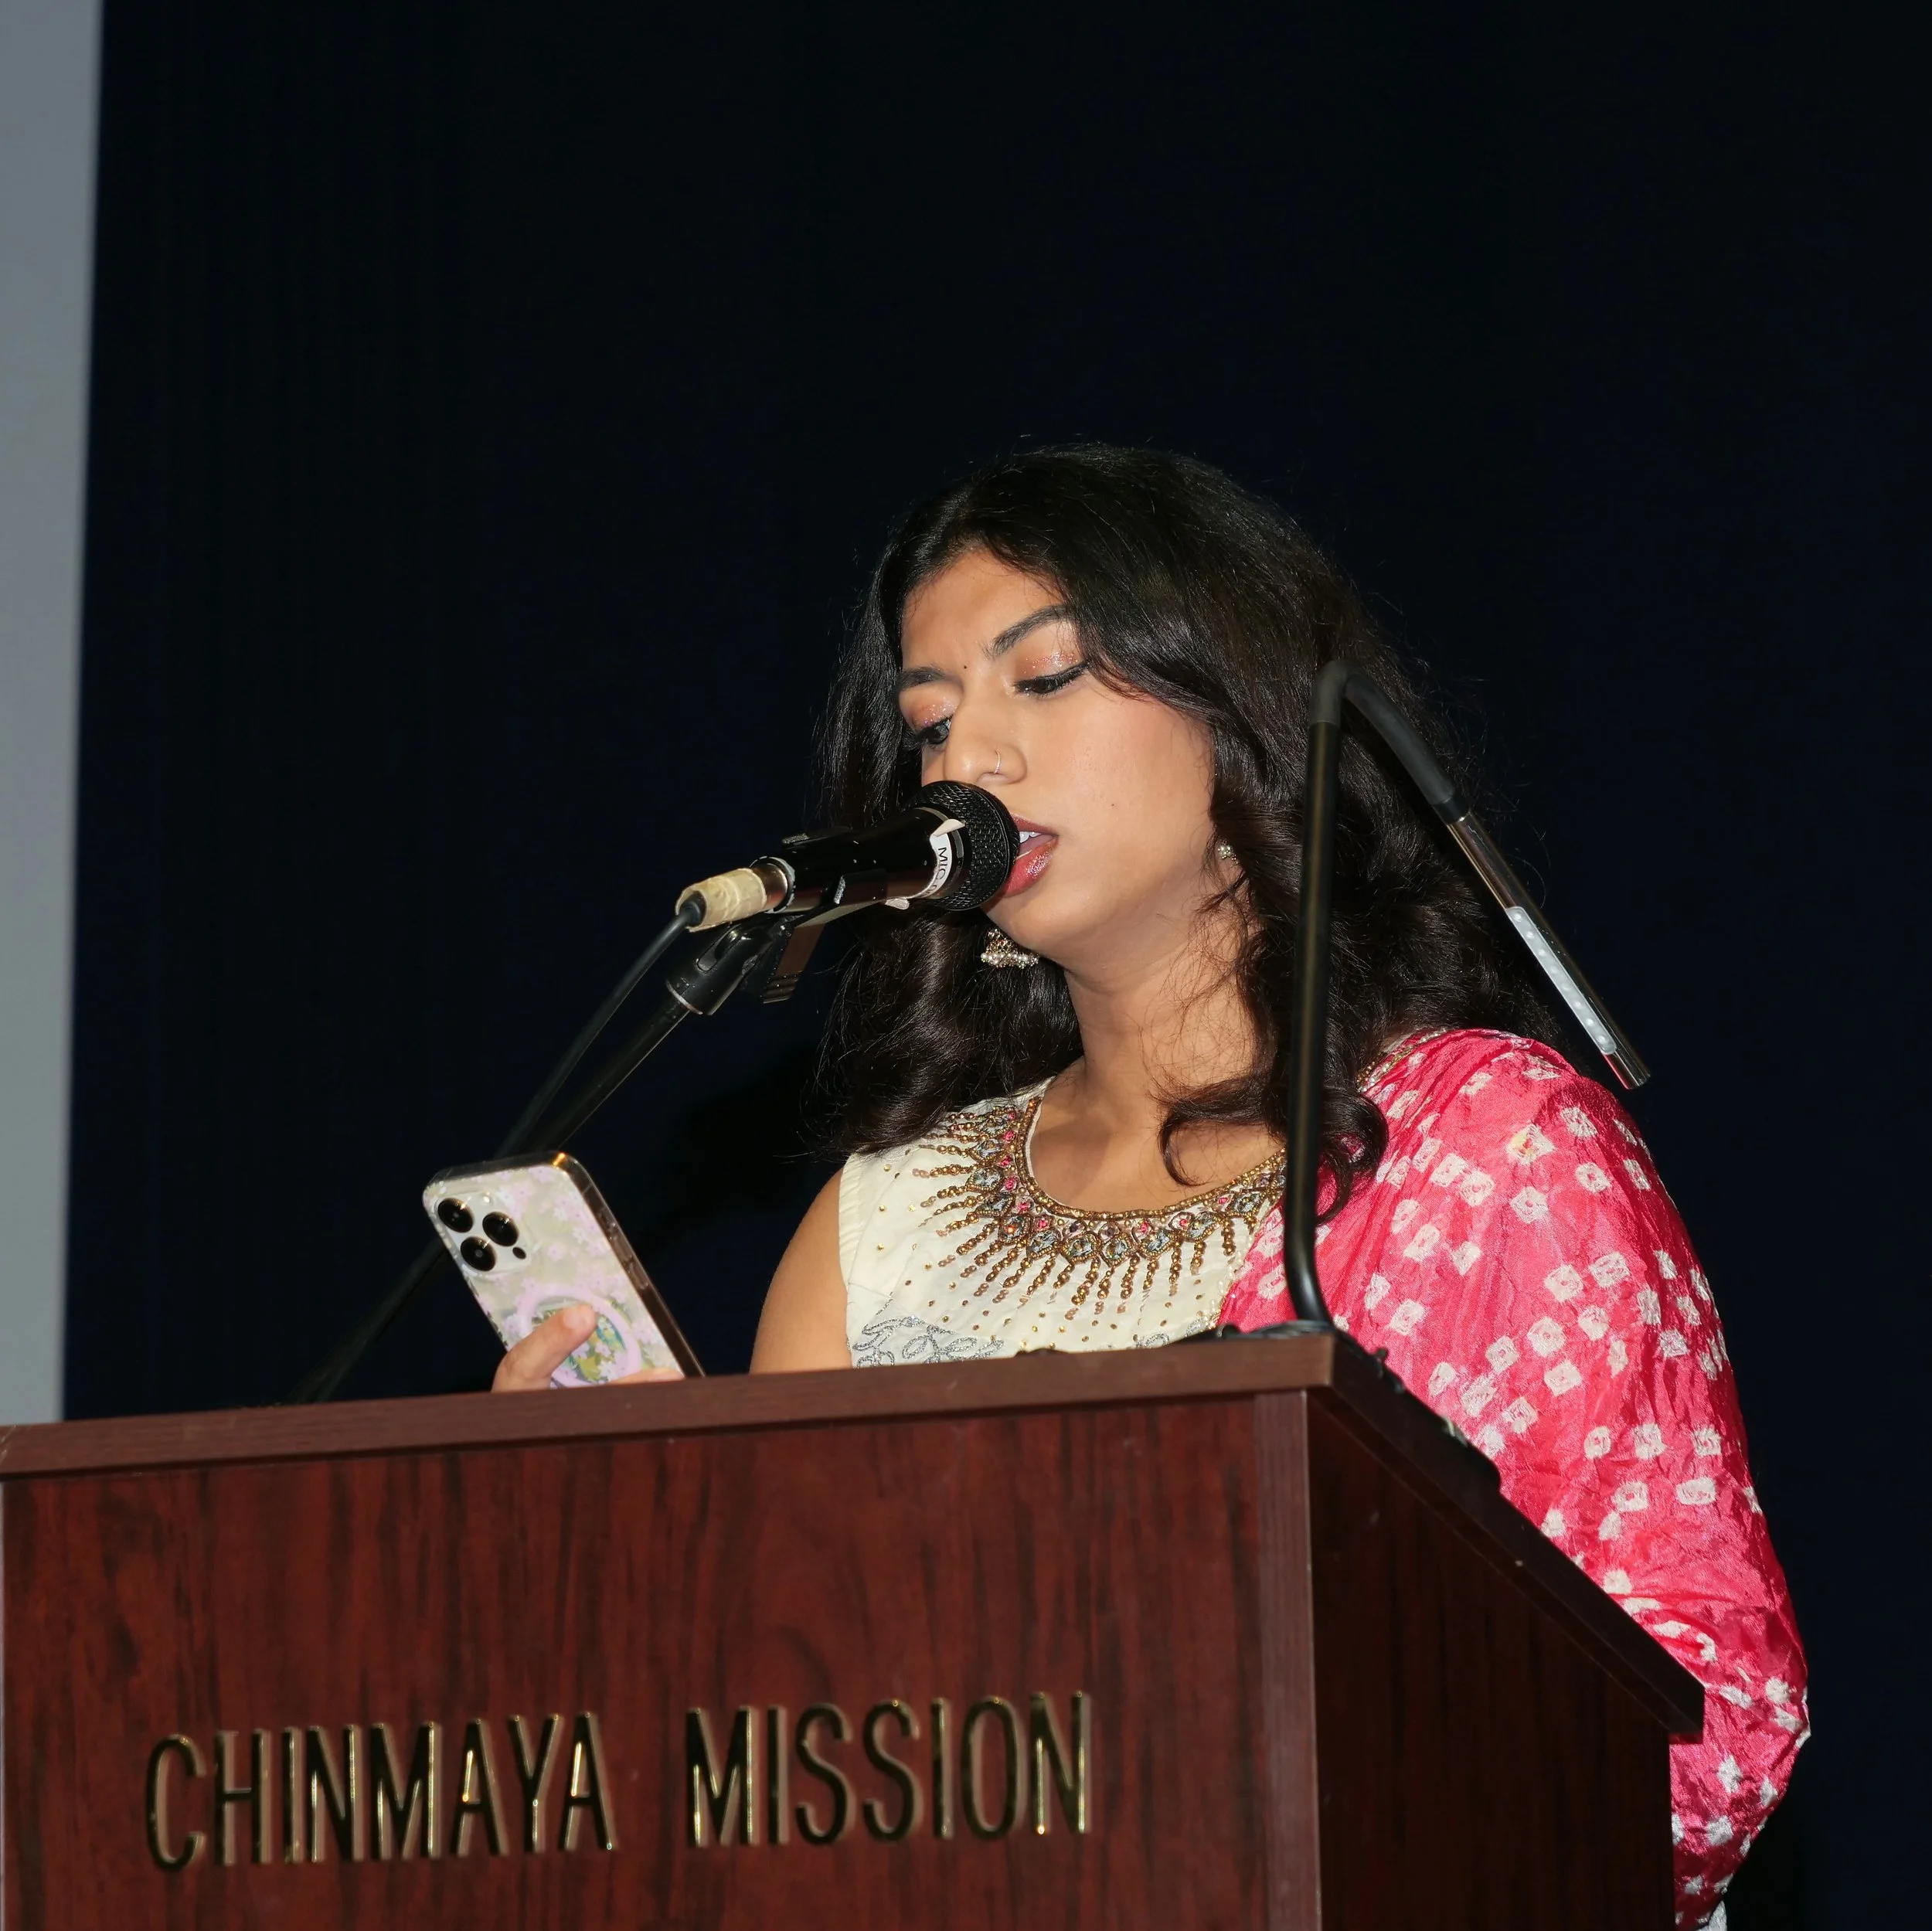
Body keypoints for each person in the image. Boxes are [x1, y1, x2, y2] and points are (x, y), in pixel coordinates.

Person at [498, 446, 1806, 1923]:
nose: (970, 760)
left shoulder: (1488, 1150)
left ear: (1236, 703)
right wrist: (630, 1561)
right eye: (930, 723)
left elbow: (1706, 1725)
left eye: (1045, 675)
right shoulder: (880, 1222)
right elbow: (786, 1775)